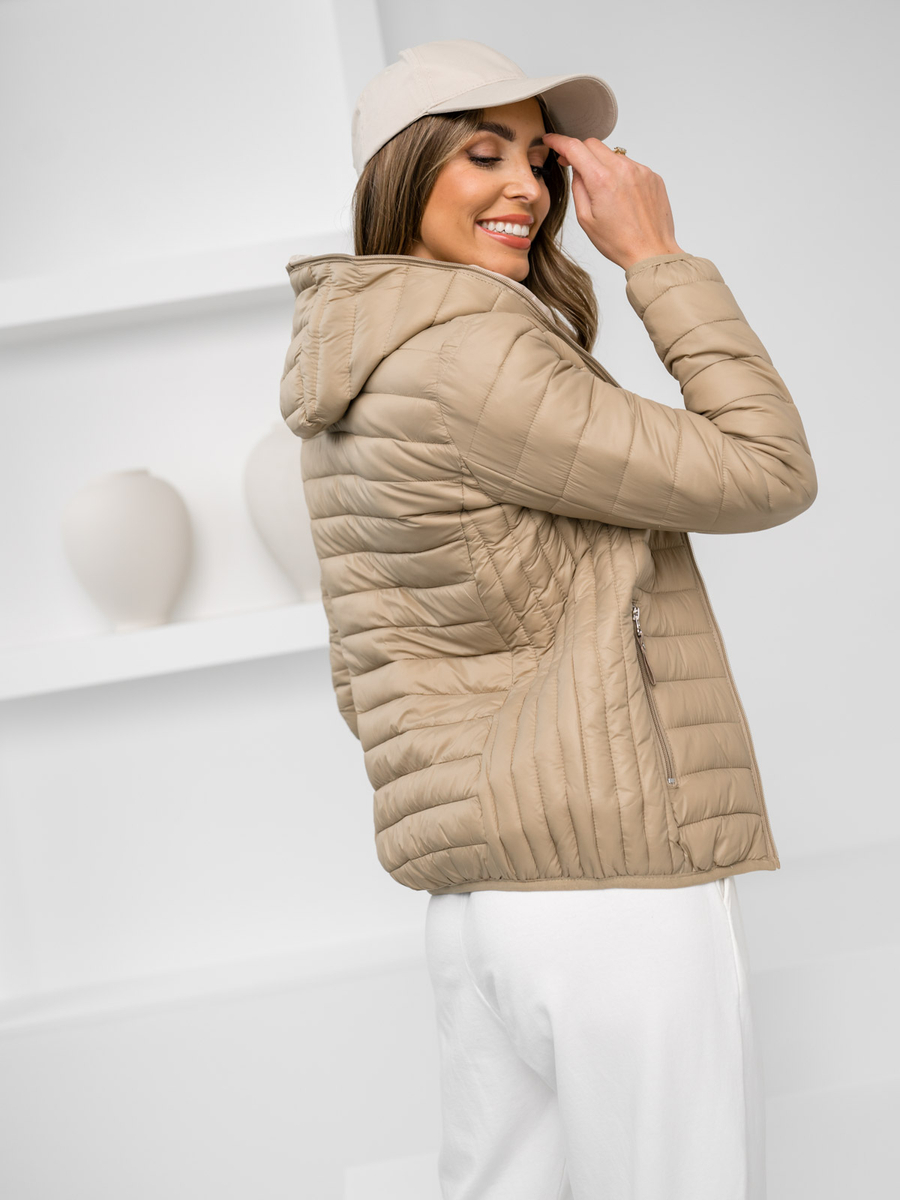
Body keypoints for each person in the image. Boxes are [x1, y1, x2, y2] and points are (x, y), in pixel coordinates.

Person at [279, 38, 817, 1200]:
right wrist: (658, 257)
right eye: (483, 154)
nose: (525, 185)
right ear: (401, 173)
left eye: (538, 157)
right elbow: (768, 469)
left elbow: (368, 667)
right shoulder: (474, 356)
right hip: (610, 895)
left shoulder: (358, 370)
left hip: (485, 908)